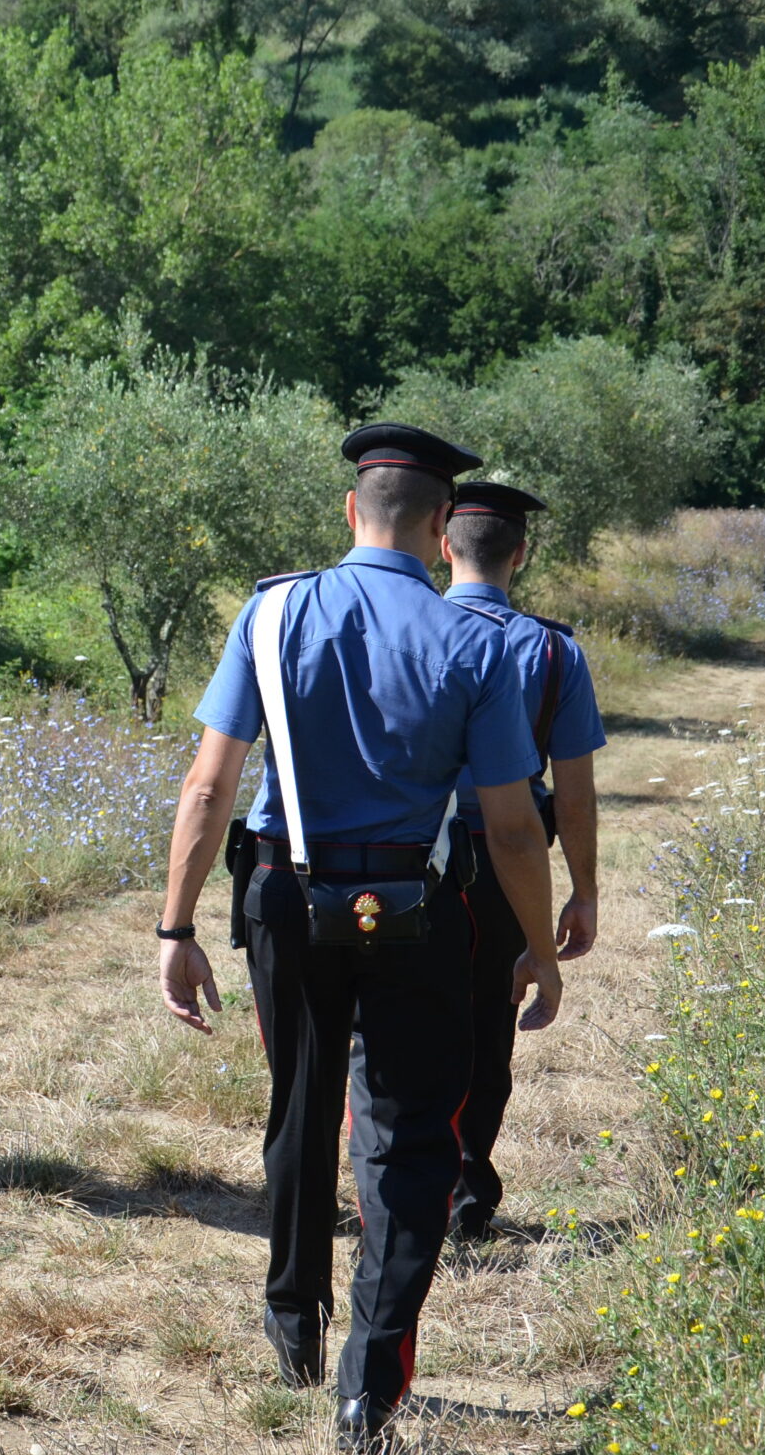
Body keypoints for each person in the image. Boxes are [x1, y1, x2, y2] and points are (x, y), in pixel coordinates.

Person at [151, 424, 564, 1452]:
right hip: (417, 907)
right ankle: (368, 1379)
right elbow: (512, 823)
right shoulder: (471, 643)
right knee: (408, 1137)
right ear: (438, 527)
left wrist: (175, 923)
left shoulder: (270, 610)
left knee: (298, 1103)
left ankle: (292, 1320)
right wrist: (540, 950)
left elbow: (208, 785)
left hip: (284, 897)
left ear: (350, 513)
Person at [438, 481, 604, 1241]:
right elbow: (572, 795)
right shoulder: (551, 649)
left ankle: (398, 1181)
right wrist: (583, 890)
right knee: (487, 1026)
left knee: (399, 1017)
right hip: (510, 865)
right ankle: (468, 1190)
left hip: (414, 855)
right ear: (521, 554)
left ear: (444, 543)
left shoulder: (412, 627)